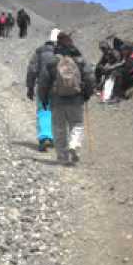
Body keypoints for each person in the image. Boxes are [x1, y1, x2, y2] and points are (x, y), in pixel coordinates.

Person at [38, 31, 95, 165]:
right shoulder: (79, 60)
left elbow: (43, 81)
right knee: (77, 125)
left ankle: (62, 157)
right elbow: (90, 78)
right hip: (76, 99)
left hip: (57, 100)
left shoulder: (52, 61)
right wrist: (87, 93)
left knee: (59, 128)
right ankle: (74, 145)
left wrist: (44, 99)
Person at [26, 28, 60, 151]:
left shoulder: (39, 53)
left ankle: (45, 137)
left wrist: (30, 87)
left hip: (43, 86)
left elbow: (32, 70)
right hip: (60, 88)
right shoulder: (64, 52)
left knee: (44, 111)